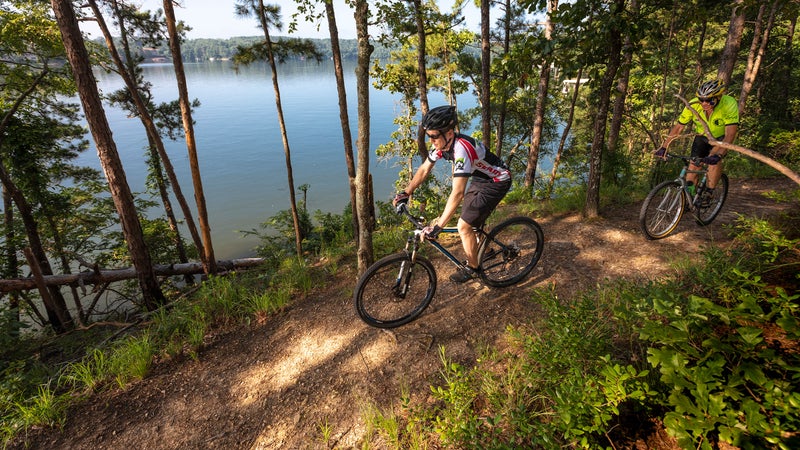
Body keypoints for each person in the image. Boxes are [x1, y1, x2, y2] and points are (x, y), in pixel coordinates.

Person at [392, 105, 512, 283]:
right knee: (472, 218)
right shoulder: (443, 145)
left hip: (497, 181)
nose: (431, 141)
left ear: (448, 134)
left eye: (433, 136)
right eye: (428, 136)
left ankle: (473, 268)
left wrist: (439, 226)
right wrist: (406, 192)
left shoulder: (462, 150)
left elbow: (457, 192)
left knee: (464, 226)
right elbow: (425, 168)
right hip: (481, 179)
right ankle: (486, 251)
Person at [655, 79, 739, 203]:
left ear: (718, 97)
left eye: (708, 100)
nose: (704, 103)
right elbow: (678, 127)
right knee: (693, 165)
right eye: (701, 99)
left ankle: (709, 192)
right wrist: (664, 147)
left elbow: (730, 134)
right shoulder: (693, 104)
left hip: (721, 137)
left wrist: (719, 154)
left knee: (713, 159)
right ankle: (689, 200)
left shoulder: (728, 103)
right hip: (702, 136)